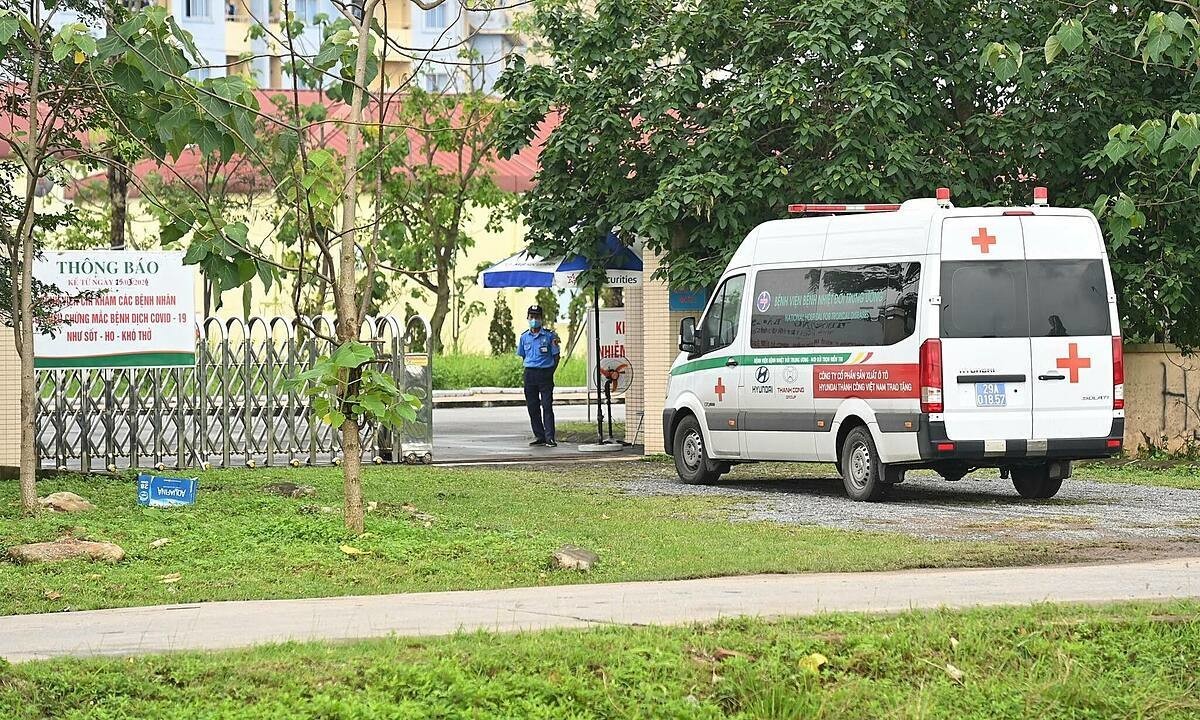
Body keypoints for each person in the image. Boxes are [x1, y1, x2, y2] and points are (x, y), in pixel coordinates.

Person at [516, 304, 559, 447]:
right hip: (530, 374)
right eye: (532, 317)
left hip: (545, 373)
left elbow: (556, 356)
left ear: (542, 318)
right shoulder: (524, 337)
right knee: (532, 407)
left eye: (537, 317)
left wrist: (550, 372)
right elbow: (523, 356)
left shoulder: (549, 336)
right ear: (528, 318)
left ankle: (550, 437)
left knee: (547, 406)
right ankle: (539, 435)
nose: (534, 320)